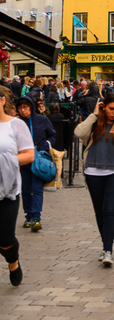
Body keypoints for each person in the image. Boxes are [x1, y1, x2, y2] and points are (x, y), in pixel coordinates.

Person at [75, 92, 114, 267]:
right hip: (93, 172)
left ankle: (108, 250)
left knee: (109, 210)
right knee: (99, 212)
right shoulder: (94, 123)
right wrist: (94, 115)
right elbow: (78, 132)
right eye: (110, 109)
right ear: (103, 107)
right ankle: (105, 246)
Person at [0, 86, 34, 286]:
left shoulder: (16, 125)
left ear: (3, 100)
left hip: (8, 190)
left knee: (4, 238)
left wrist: (5, 160)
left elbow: (29, 154)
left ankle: (13, 260)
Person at [15, 97, 55, 232]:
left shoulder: (42, 120)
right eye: (20, 108)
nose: (22, 110)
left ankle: (36, 217)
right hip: (24, 159)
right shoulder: (17, 123)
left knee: (37, 189)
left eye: (25, 107)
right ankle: (29, 216)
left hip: (39, 159)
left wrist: (45, 145)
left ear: (31, 107)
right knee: (26, 190)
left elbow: (52, 135)